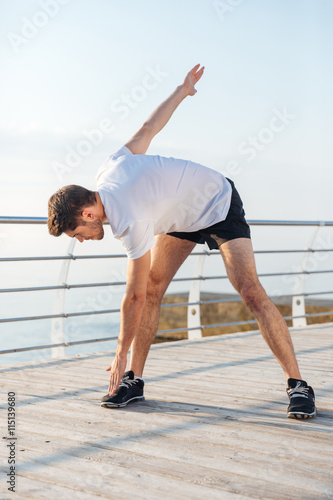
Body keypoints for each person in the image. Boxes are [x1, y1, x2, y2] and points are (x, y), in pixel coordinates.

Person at [48, 64, 316, 419]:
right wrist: (182, 90)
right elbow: (148, 130)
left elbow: (133, 296)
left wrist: (117, 352)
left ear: (87, 214)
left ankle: (299, 385)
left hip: (215, 201)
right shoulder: (108, 170)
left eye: (76, 234)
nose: (80, 241)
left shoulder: (129, 217)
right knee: (157, 287)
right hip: (180, 217)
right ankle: (134, 381)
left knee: (249, 289)